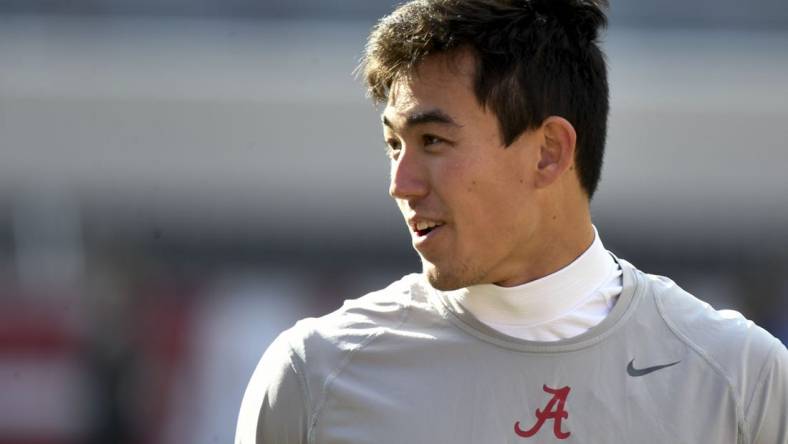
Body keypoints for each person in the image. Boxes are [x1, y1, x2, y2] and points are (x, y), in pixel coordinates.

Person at [236, 0, 788, 442]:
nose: (400, 183)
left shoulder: (741, 380)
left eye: (432, 141)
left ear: (549, 152)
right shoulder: (312, 376)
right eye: (393, 144)